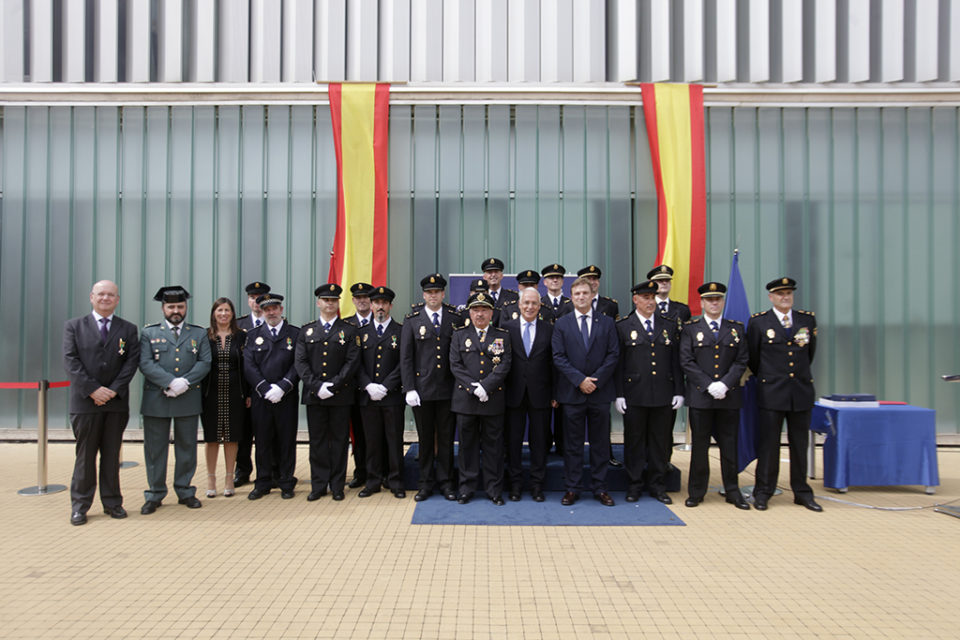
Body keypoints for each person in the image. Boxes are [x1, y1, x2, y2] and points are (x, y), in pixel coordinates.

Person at [62, 280, 140, 526]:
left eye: (111, 295)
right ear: (92, 297)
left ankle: (113, 503)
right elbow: (71, 361)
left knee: (111, 455)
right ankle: (80, 506)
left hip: (115, 404)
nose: (105, 298)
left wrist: (113, 391)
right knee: (85, 457)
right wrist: (93, 390)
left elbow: (131, 362)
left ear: (117, 300)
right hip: (85, 403)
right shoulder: (74, 326)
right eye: (101, 294)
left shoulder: (128, 329)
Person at [747, 277, 821, 512]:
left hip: (800, 391)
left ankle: (802, 492)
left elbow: (809, 353)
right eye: (780, 294)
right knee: (769, 446)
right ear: (771, 297)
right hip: (772, 392)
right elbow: (754, 359)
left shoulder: (806, 320)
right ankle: (763, 491)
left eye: (788, 293)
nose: (785, 297)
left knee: (799, 445)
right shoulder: (759, 322)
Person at [138, 286, 212, 515]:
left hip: (187, 397)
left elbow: (205, 362)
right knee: (155, 450)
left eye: (180, 306)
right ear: (163, 308)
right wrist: (170, 382)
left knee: (187, 447)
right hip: (157, 398)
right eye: (171, 307)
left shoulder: (198, 334)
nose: (176, 311)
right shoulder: (149, 333)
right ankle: (155, 493)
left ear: (186, 307)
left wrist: (185, 383)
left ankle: (185, 490)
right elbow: (145, 363)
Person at [678, 282, 750, 510]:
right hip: (701, 396)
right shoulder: (690, 329)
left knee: (729, 446)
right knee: (700, 447)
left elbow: (742, 360)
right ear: (702, 303)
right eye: (709, 300)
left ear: (723, 302)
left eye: (717, 299)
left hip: (729, 397)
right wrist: (709, 385)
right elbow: (686, 360)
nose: (714, 303)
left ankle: (732, 491)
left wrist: (725, 384)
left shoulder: (736, 328)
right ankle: (696, 492)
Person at [552, 276, 620, 506]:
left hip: (600, 393)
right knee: (573, 445)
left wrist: (595, 382)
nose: (581, 297)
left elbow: (613, 355)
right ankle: (572, 488)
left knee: (600, 444)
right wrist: (580, 380)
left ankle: (600, 488)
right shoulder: (562, 324)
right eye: (577, 294)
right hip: (573, 393)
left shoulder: (607, 322)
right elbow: (558, 357)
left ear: (592, 296)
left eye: (585, 293)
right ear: (571, 297)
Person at [614, 280, 684, 504]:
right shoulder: (623, 326)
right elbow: (619, 363)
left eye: (653, 297)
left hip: (663, 393)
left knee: (660, 443)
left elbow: (676, 361)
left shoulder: (669, 325)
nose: (650, 301)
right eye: (646, 297)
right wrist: (619, 394)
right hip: (634, 394)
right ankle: (634, 485)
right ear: (635, 299)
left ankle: (657, 485)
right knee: (634, 441)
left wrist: (679, 391)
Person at [295, 284, 361, 502]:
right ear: (318, 303)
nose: (330, 303)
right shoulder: (307, 331)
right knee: (317, 442)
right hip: (315, 396)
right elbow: (301, 363)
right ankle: (319, 484)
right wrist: (317, 386)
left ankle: (337, 485)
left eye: (334, 300)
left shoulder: (349, 330)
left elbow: (352, 362)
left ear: (338, 303)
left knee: (340, 441)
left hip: (340, 395)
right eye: (326, 300)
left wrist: (332, 385)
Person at [400, 273, 461, 502]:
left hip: (448, 389)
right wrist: (409, 388)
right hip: (422, 391)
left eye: (437, 292)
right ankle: (425, 484)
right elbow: (406, 357)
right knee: (425, 439)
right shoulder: (412, 320)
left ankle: (446, 483)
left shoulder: (454, 318)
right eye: (429, 292)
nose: (433, 296)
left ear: (443, 294)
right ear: (424, 295)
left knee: (446, 439)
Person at [449, 291, 512, 505]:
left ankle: (494, 489)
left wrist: (486, 386)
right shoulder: (459, 335)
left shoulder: (502, 335)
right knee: (467, 447)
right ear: (470, 312)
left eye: (484, 309)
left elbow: (505, 364)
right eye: (476, 309)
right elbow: (455, 365)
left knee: (494, 447)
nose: (480, 314)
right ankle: (466, 488)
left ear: (492, 313)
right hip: (466, 400)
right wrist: (473, 387)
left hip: (492, 399)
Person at [244, 293, 300, 500]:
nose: (271, 312)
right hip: (262, 397)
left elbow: (298, 363)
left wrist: (283, 387)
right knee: (262, 441)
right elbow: (249, 365)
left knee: (286, 441)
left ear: (281, 309)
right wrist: (265, 388)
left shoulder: (295, 333)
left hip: (287, 397)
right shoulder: (253, 335)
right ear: (263, 312)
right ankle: (263, 481)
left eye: (274, 308)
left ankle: (286, 481)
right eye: (267, 309)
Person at [502, 287, 555, 502]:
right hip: (512, 395)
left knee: (539, 443)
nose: (530, 307)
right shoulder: (506, 329)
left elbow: (554, 364)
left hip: (541, 395)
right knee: (513, 443)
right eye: (526, 303)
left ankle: (537, 486)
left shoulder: (549, 329)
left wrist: (555, 394)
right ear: (519, 305)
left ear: (540, 306)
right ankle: (515, 485)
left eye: (534, 303)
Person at [356, 287, 406, 498]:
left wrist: (385, 386)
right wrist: (368, 385)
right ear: (371, 305)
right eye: (377, 303)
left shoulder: (401, 331)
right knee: (372, 441)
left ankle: (395, 481)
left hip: (392, 396)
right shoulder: (361, 332)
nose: (380, 307)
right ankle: (373, 480)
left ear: (390, 306)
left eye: (384, 303)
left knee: (394, 441)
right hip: (368, 397)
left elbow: (404, 363)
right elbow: (356, 364)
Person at [200, 298, 248, 498]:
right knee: (212, 438)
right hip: (210, 393)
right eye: (220, 310)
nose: (223, 314)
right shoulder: (204, 336)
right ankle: (211, 478)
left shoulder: (241, 336)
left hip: (235, 393)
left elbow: (247, 366)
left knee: (231, 437)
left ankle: (229, 477)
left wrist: (248, 393)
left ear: (232, 313)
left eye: (227, 310)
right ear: (214, 313)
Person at [577, 265, 622, 468]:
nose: (592, 282)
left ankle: (608, 455)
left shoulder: (609, 306)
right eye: (588, 279)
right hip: (576, 379)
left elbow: (614, 344)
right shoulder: (570, 306)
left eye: (595, 279)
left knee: (603, 424)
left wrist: (599, 377)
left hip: (602, 377)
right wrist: (579, 379)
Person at [234, 281, 270, 487]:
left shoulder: (274, 323)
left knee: (268, 434)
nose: (256, 301)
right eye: (252, 298)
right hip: (244, 389)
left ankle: (270, 471)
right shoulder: (239, 326)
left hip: (268, 389)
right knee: (244, 434)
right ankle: (242, 470)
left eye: (260, 298)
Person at [343, 282, 376, 490]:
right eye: (358, 298)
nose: (362, 301)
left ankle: (380, 471)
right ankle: (361, 471)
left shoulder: (381, 321)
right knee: (359, 434)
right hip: (356, 390)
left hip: (380, 389)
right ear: (353, 300)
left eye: (366, 298)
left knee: (379, 435)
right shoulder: (346, 325)